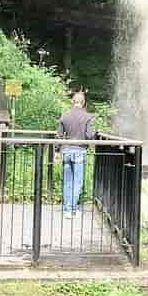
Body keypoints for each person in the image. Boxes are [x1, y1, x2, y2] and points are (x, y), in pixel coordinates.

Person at [56, 91, 95, 219]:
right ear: (83, 103)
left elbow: (59, 135)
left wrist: (57, 151)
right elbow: (89, 135)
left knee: (67, 181)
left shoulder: (65, 116)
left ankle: (67, 209)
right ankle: (74, 208)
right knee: (77, 182)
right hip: (80, 150)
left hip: (66, 150)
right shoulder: (87, 117)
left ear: (72, 102)